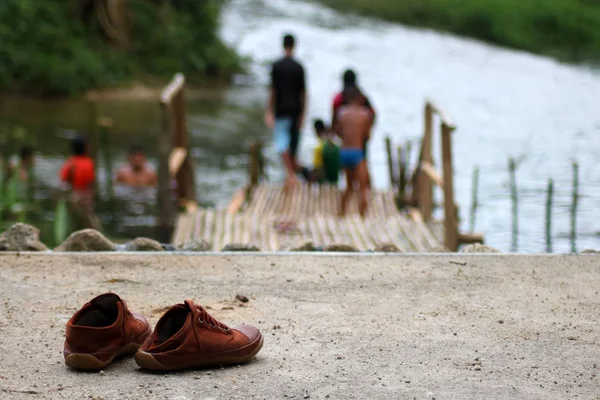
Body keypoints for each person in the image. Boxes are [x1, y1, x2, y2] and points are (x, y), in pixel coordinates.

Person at [264, 33, 307, 191]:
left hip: (281, 111)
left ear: (283, 45)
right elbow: (303, 94)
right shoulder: (299, 67)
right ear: (294, 46)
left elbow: (273, 91)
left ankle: (290, 175)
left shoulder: (276, 66)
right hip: (296, 111)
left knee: (282, 146)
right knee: (291, 146)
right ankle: (293, 175)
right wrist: (303, 114)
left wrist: (269, 111)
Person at [331, 69, 375, 188]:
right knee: (363, 163)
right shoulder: (362, 97)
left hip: (346, 139)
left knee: (348, 169)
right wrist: (366, 131)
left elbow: (334, 119)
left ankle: (351, 188)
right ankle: (365, 190)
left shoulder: (339, 98)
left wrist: (338, 133)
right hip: (360, 138)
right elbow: (372, 114)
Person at [334, 87, 371, 218]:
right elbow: (367, 135)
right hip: (357, 152)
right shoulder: (364, 114)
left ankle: (341, 214)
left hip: (344, 152)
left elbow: (337, 132)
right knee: (363, 189)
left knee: (349, 187)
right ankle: (363, 218)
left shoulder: (341, 113)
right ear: (360, 99)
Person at [59, 136, 101, 231]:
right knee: (93, 226)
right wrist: (90, 199)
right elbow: (90, 184)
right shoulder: (88, 163)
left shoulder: (69, 163)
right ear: (85, 148)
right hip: (83, 198)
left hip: (72, 197)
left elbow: (63, 183)